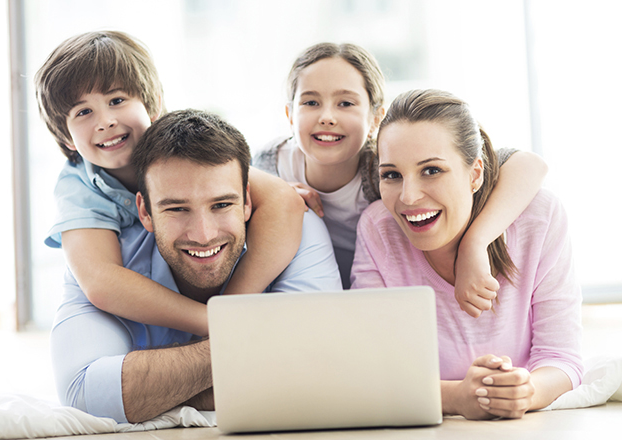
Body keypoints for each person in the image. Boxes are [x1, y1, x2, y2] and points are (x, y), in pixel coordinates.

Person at [50, 109, 342, 423]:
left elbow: (321, 368)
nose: (204, 235)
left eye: (221, 205)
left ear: (247, 201)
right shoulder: (103, 260)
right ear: (145, 212)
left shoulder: (299, 227)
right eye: (177, 209)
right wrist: (255, 347)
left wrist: (154, 391)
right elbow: (85, 396)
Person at [35, 31, 307, 337]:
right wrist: (208, 322)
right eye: (84, 112)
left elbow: (284, 202)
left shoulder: (177, 151)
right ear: (65, 137)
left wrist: (229, 309)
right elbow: (101, 281)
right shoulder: (77, 186)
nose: (105, 121)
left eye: (117, 100)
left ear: (153, 105)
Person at [253, 42, 548, 319]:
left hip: (370, 284)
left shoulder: (387, 170)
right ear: (290, 115)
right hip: (309, 288)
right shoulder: (271, 164)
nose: (327, 116)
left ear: (376, 118)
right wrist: (276, 196)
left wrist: (475, 243)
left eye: (345, 103)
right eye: (311, 102)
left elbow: (529, 164)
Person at [351, 89, 583, 420]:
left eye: (431, 170)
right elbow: (372, 370)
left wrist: (525, 391)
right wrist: (456, 397)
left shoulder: (538, 217)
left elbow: (562, 358)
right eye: (392, 175)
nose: (409, 196)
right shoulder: (378, 229)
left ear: (474, 174)